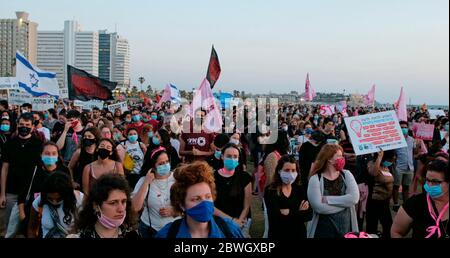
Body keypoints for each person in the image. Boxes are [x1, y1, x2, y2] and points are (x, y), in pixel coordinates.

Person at [155, 161, 244, 238]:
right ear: (182, 205)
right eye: (196, 199)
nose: (204, 203)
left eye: (208, 196)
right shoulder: (167, 234)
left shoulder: (229, 230)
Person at [0, 113, 43, 238]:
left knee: (28, 227)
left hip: (30, 193)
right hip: (11, 192)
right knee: (9, 226)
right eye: (22, 124)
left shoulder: (38, 145)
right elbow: (5, 169)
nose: (24, 127)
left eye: (27, 125)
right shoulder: (9, 144)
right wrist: (2, 193)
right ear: (17, 125)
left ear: (33, 127)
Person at [17, 142, 71, 236]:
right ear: (41, 154)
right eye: (47, 153)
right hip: (34, 216)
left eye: (54, 153)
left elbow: (69, 194)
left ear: (58, 155)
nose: (50, 156)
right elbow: (22, 193)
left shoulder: (64, 171)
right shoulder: (33, 170)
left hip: (57, 217)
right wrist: (22, 216)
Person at [307, 144, 360, 238]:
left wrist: (328, 199)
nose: (342, 159)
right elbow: (319, 208)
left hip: (346, 230)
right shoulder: (316, 179)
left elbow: (354, 198)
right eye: (339, 156)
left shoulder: (346, 174)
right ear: (329, 159)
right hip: (323, 231)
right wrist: (345, 204)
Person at [391, 159, 448, 238]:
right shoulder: (414, 203)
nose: (430, 185)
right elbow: (396, 231)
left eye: (436, 182)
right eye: (428, 180)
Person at [70, 174, 139, 238]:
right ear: (96, 206)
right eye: (113, 203)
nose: (121, 209)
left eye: (123, 202)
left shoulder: (133, 235)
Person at [132, 147, 179, 238]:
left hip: (174, 228)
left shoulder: (177, 178)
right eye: (161, 163)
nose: (165, 165)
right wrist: (146, 182)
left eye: (167, 161)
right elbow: (135, 207)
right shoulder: (144, 180)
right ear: (153, 166)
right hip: (150, 229)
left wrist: (175, 211)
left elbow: (188, 203)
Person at [264, 155, 312, 238]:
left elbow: (308, 215)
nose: (290, 174)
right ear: (279, 171)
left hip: (299, 234)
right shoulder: (271, 190)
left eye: (293, 170)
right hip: (279, 234)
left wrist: (288, 212)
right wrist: (299, 211)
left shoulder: (300, 189)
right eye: (287, 170)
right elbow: (275, 218)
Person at [27, 172, 84, 238]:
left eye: (59, 199)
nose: (54, 202)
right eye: (50, 199)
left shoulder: (79, 199)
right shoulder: (39, 202)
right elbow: (32, 229)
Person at [213, 144, 252, 237]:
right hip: (219, 221)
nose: (232, 159)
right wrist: (232, 221)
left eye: (235, 157)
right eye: (229, 156)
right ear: (222, 157)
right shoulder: (212, 177)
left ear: (238, 158)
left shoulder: (245, 177)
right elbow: (211, 205)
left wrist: (239, 221)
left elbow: (247, 206)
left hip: (241, 222)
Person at [366, 149, 396, 238]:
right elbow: (373, 173)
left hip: (385, 202)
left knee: (388, 225)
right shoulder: (372, 164)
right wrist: (379, 157)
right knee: (372, 226)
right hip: (374, 202)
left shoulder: (387, 167)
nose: (392, 161)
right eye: (391, 159)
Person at [393, 121, 415, 211]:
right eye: (401, 127)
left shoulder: (411, 139)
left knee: (406, 187)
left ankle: (405, 204)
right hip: (398, 167)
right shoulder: (395, 140)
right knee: (396, 186)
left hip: (409, 167)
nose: (404, 129)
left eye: (405, 127)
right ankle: (396, 204)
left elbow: (414, 152)